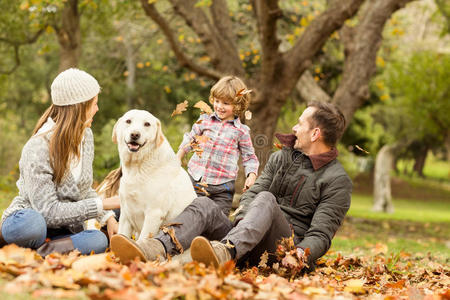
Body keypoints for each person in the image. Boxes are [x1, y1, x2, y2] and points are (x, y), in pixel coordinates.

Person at [112, 101, 351, 272]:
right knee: (204, 203)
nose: (295, 129)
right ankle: (154, 248)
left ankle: (225, 250)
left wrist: (299, 255)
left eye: (300, 124)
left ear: (316, 133)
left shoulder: (337, 180)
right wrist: (244, 224)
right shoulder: (282, 158)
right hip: (244, 237)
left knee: (266, 200)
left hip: (281, 250)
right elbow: (253, 194)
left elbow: (321, 234)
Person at [0, 68, 120, 256]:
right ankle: (29, 244)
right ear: (78, 107)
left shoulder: (85, 136)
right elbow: (47, 212)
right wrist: (103, 204)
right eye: (94, 103)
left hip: (63, 231)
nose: (97, 109)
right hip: (29, 219)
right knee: (33, 225)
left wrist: (108, 218)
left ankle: (40, 252)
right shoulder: (38, 147)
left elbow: (84, 189)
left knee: (98, 240)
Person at [177, 76, 259, 216]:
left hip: (222, 189)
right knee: (189, 217)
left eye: (226, 103)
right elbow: (191, 139)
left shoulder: (241, 131)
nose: (219, 106)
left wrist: (251, 175)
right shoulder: (204, 120)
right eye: (217, 101)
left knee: (217, 222)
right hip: (196, 180)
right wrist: (179, 155)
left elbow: (249, 156)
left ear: (237, 105)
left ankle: (211, 238)